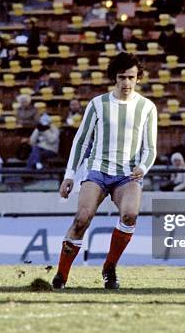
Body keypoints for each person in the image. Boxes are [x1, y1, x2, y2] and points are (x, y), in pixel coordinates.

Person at [53, 52, 157, 290]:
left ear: (138, 78)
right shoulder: (98, 104)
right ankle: (61, 275)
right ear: (114, 78)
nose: (126, 83)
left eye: (131, 77)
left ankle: (109, 268)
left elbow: (150, 148)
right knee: (82, 219)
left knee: (130, 215)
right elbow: (80, 141)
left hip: (127, 174)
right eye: (122, 77)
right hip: (98, 169)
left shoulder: (147, 107)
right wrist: (70, 175)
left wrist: (143, 167)